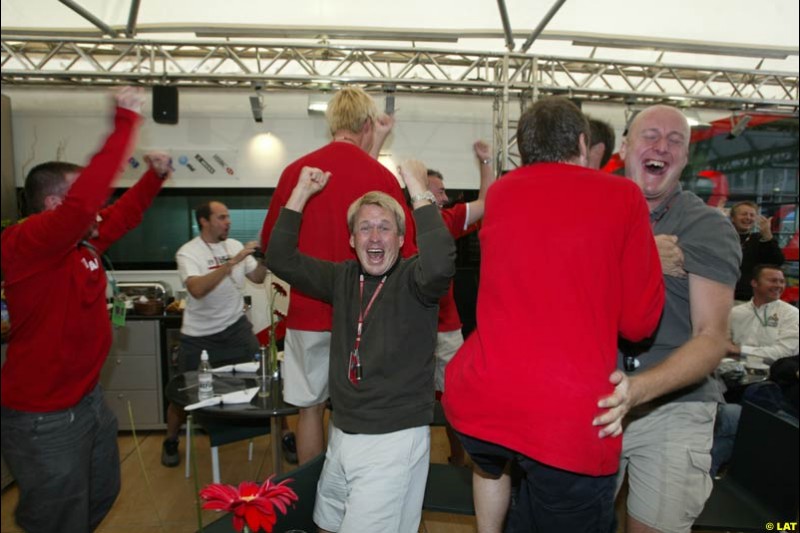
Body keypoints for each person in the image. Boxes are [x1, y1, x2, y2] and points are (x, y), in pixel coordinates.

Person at [442, 97, 665, 533]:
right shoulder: (623, 195)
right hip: (568, 417)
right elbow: (638, 323)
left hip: (485, 401)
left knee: (517, 500)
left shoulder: (504, 192)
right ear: (583, 144)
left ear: (524, 150)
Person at [1, 87, 170, 533]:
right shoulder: (26, 245)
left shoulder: (83, 244)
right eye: (83, 201)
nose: (97, 210)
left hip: (87, 402)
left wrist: (154, 178)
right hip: (43, 418)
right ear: (53, 207)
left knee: (101, 495)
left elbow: (124, 214)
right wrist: (125, 123)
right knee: (58, 518)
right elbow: (86, 203)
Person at [266, 162, 455, 533]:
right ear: (351, 240)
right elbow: (280, 259)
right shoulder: (342, 277)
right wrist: (301, 193)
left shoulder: (415, 280)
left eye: (385, 228)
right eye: (364, 228)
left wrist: (418, 189)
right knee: (326, 525)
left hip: (392, 443)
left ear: (401, 239)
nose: (374, 237)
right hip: (342, 434)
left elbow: (440, 266)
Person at [603, 104, 742, 533]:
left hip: (674, 406)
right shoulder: (591, 212)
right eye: (650, 135)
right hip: (591, 401)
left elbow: (711, 336)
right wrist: (642, 255)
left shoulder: (707, 227)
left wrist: (637, 390)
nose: (661, 145)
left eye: (675, 140)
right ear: (625, 147)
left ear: (683, 158)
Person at [260, 86, 416, 465]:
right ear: (366, 124)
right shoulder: (381, 175)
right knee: (358, 414)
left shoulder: (297, 172)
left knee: (310, 409)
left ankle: (315, 502)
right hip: (366, 316)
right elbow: (408, 253)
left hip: (308, 313)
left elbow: (271, 245)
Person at [162, 201, 299, 465]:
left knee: (267, 382)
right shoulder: (188, 253)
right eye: (221, 217)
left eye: (228, 217)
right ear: (204, 221)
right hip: (198, 335)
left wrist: (264, 256)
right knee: (183, 393)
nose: (228, 222)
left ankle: (286, 435)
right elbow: (197, 290)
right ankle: (170, 440)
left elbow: (258, 278)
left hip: (236, 328)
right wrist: (232, 263)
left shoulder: (234, 245)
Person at [425, 141, 496, 467]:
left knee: (453, 398)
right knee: (418, 403)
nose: (444, 196)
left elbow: (488, 202)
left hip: (448, 328)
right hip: (414, 332)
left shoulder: (447, 220)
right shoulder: (400, 224)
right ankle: (416, 463)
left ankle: (457, 459)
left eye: (443, 191)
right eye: (437, 191)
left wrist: (485, 163)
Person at [727, 264, 799, 363]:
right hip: (734, 371)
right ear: (754, 283)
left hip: (773, 375)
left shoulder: (791, 314)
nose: (779, 285)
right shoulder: (735, 312)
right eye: (773, 281)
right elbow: (724, 345)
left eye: (782, 281)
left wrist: (739, 350)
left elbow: (784, 353)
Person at [729, 201, 785, 302]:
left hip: (751, 299)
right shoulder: (722, 237)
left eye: (752, 215)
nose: (748, 217)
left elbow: (777, 262)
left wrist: (768, 236)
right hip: (725, 294)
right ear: (733, 218)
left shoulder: (760, 239)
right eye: (744, 214)